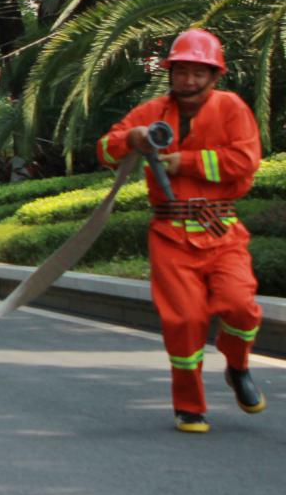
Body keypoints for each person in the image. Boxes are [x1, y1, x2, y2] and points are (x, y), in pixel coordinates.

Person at [98, 29, 265, 434]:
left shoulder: (231, 107)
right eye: (182, 71)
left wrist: (183, 162)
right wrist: (131, 138)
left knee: (240, 307)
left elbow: (244, 161)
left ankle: (237, 365)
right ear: (170, 72)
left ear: (214, 75)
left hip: (220, 228)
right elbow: (105, 150)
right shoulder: (152, 111)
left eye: (198, 72)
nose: (188, 80)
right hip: (170, 232)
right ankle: (189, 405)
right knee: (184, 319)